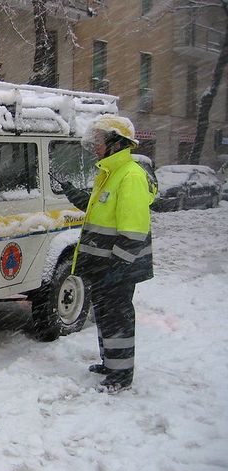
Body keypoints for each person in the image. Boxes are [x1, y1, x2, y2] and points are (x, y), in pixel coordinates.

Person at [59, 114, 156, 392]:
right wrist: (72, 193)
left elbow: (134, 231)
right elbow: (98, 211)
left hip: (118, 267)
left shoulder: (130, 176)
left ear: (116, 142)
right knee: (105, 315)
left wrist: (118, 267)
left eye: (100, 140)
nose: (95, 146)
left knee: (118, 318)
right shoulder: (109, 173)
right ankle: (111, 362)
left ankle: (121, 375)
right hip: (105, 267)